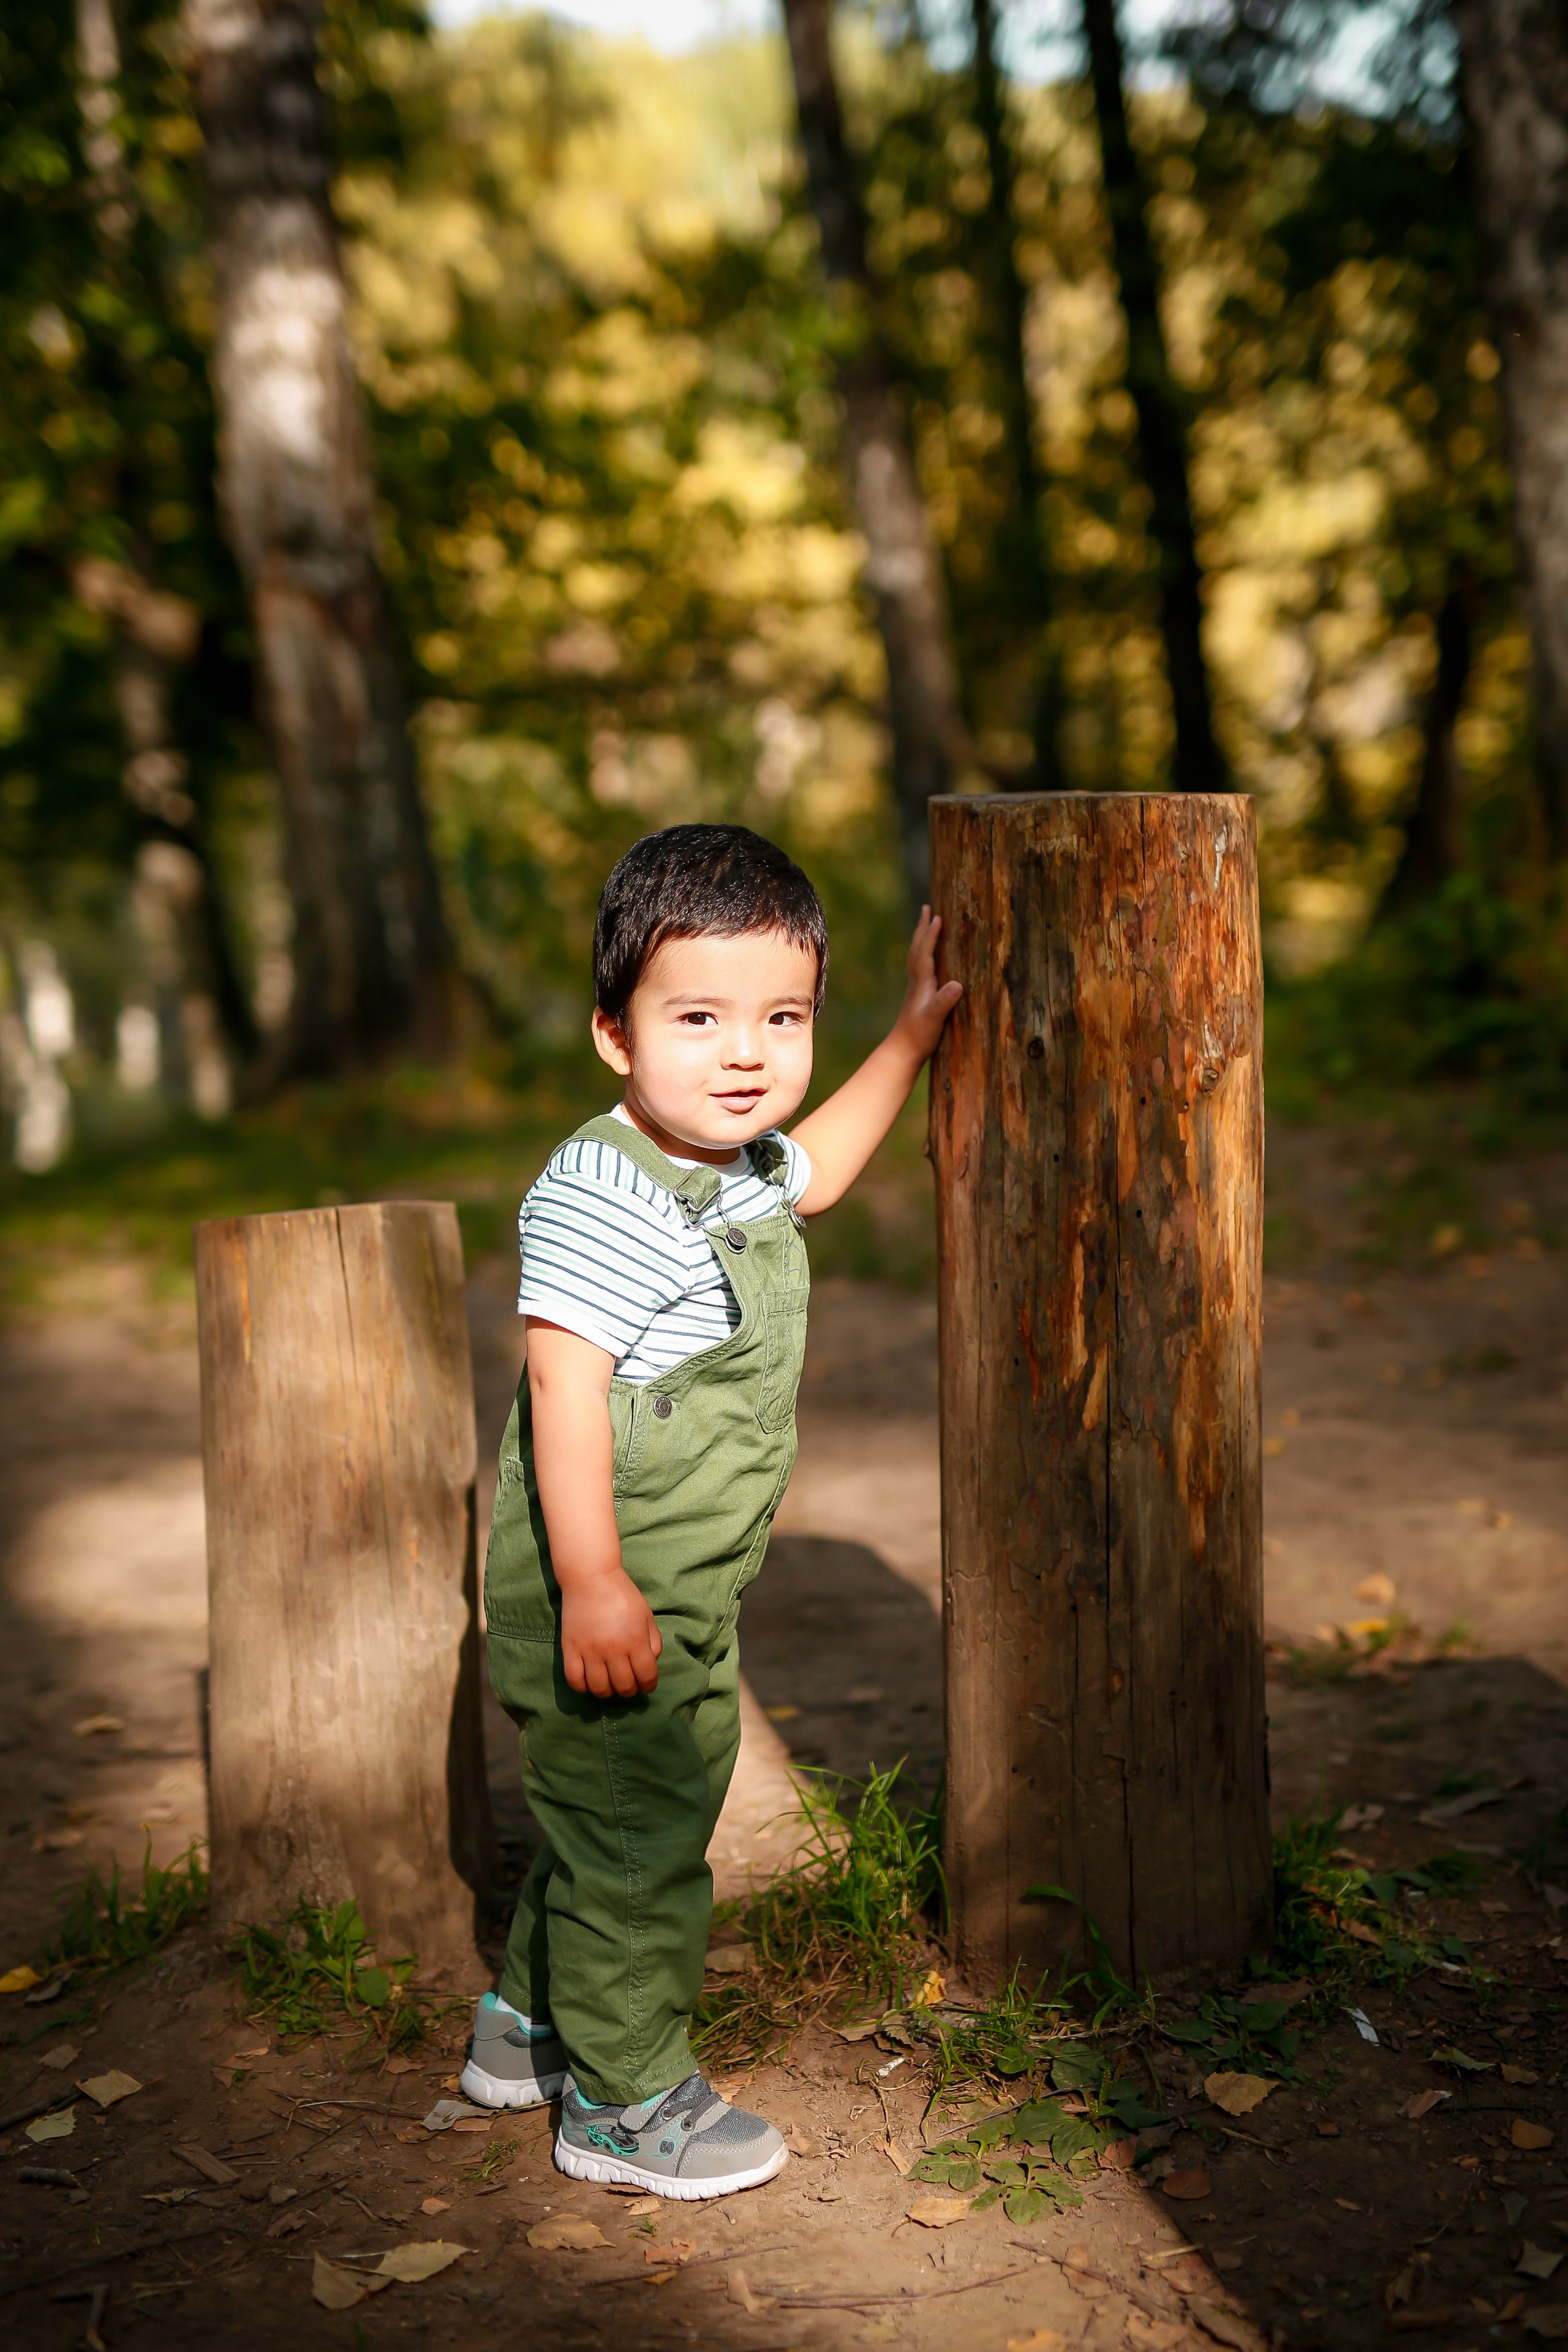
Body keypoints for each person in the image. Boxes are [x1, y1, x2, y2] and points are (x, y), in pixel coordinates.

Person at [462, 822, 961, 2199]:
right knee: (641, 1841)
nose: (746, 1054)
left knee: (615, 1817)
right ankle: (622, 2105)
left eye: (781, 1018)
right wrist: (594, 1582)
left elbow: (826, 1168)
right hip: (606, 1582)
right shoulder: (602, 1192)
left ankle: (525, 2029)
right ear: (613, 1034)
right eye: (698, 1018)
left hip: (681, 1583)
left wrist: (909, 1042)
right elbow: (562, 1390)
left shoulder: (737, 1163)